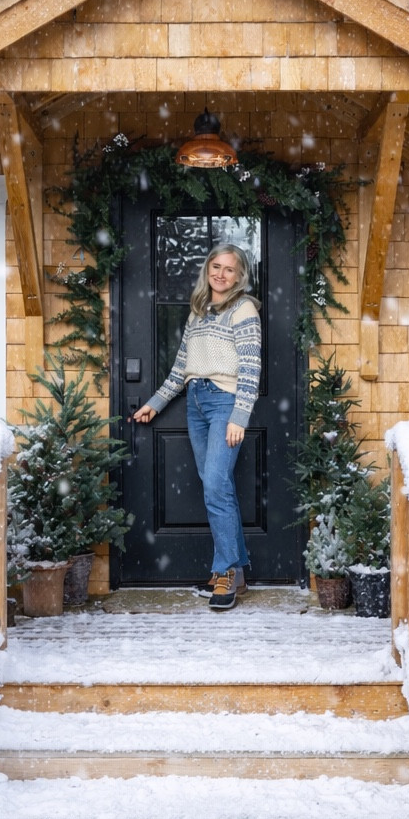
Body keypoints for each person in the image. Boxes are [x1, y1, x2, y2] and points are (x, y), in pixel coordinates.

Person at [132, 242, 262, 611]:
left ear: (239, 276)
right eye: (215, 266)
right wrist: (154, 404)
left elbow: (251, 369)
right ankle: (236, 572)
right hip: (196, 403)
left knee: (217, 487)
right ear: (208, 270)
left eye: (229, 269)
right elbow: (180, 368)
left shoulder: (244, 310)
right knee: (215, 486)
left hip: (225, 403)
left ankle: (224, 572)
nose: (220, 274)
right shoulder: (198, 313)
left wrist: (239, 416)